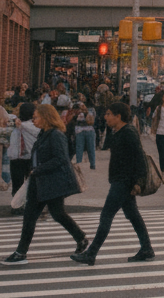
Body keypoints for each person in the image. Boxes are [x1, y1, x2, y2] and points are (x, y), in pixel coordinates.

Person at [70, 101, 153, 266]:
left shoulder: (129, 132)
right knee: (133, 215)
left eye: (108, 114)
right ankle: (147, 248)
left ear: (118, 116)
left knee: (106, 216)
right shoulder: (118, 132)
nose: (105, 117)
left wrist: (138, 182)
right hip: (120, 180)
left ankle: (91, 253)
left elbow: (139, 158)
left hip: (124, 181)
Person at [3, 104, 87, 266]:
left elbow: (61, 159)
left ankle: (80, 238)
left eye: (36, 117)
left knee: (56, 214)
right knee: (33, 216)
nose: (33, 120)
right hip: (40, 181)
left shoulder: (55, 135)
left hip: (50, 182)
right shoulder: (44, 133)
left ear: (46, 117)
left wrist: (37, 170)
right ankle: (21, 252)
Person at [6, 103, 38, 195]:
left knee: (17, 184)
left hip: (17, 159)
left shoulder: (17, 125)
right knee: (31, 184)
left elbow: (5, 115)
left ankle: (17, 206)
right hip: (30, 158)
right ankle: (31, 205)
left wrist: (14, 119)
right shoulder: (34, 126)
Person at [70, 102, 96, 169]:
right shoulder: (75, 113)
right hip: (79, 130)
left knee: (91, 147)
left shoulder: (90, 111)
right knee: (79, 147)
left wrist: (85, 112)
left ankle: (92, 164)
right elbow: (73, 120)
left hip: (89, 130)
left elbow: (93, 119)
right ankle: (79, 163)